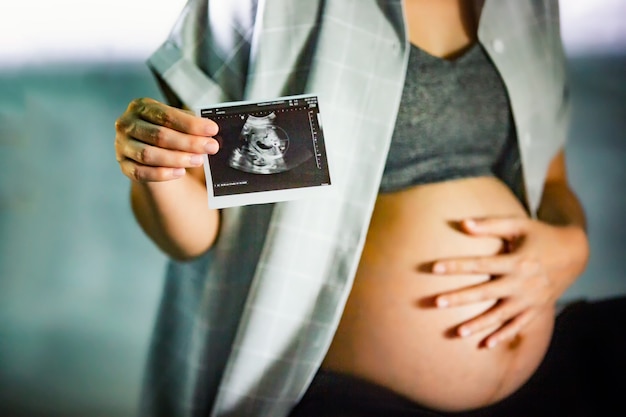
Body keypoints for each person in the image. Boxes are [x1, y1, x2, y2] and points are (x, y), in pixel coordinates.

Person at [114, 1, 626, 416]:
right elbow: (200, 227)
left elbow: (551, 180)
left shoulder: (528, 8)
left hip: (532, 364)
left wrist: (570, 245)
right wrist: (158, 167)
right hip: (340, 390)